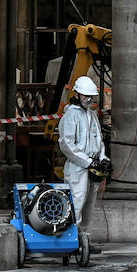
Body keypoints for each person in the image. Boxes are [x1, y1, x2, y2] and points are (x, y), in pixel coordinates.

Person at [58, 75, 106, 249]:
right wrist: (87, 161)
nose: (89, 99)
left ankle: (84, 239)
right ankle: (71, 239)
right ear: (76, 94)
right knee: (76, 202)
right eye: (85, 95)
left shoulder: (91, 115)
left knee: (88, 203)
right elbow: (67, 145)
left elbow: (99, 140)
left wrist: (103, 159)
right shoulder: (70, 115)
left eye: (91, 96)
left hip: (92, 165)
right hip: (77, 167)